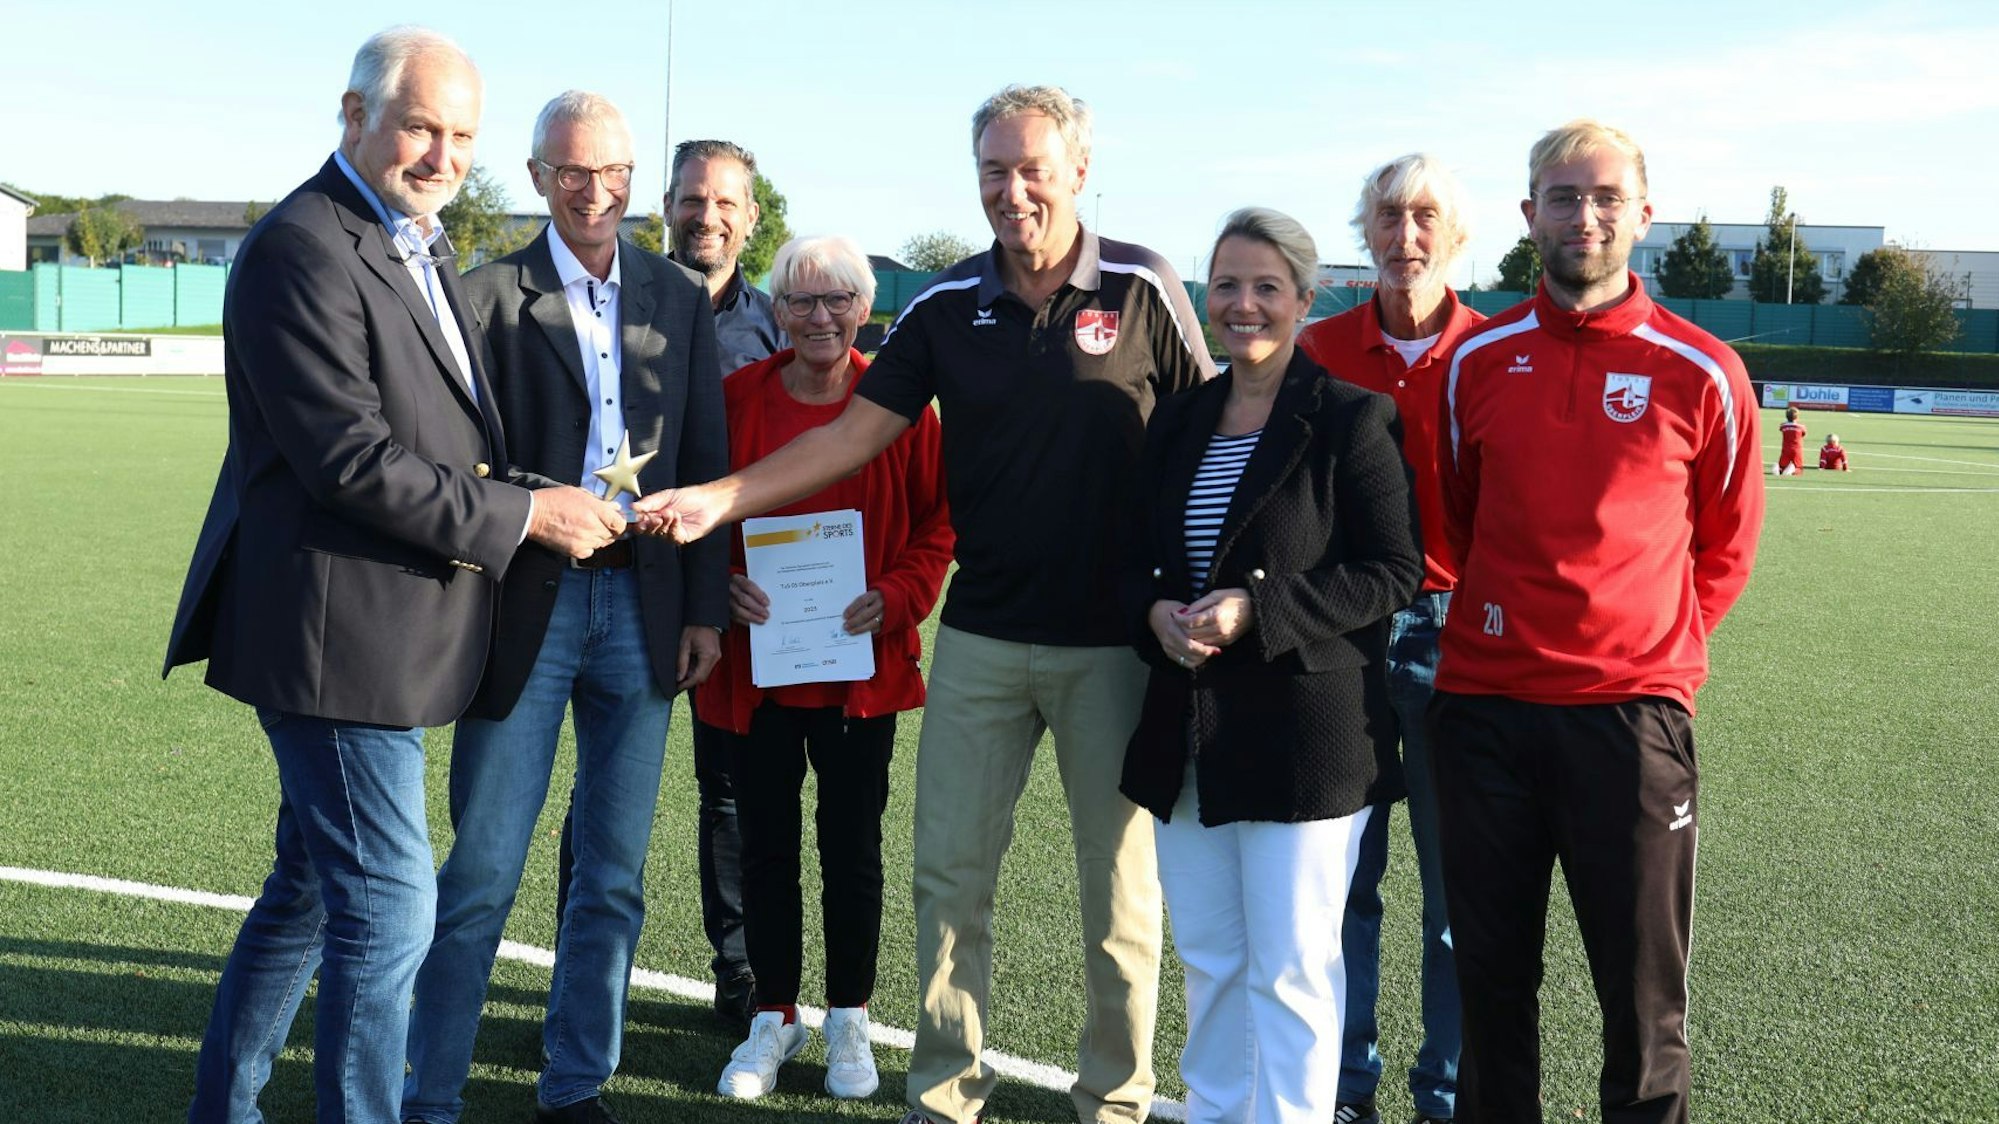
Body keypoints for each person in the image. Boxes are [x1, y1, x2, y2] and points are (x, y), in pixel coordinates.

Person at [636, 84, 1215, 1124]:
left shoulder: (1143, 285)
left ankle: (1114, 1100)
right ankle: (944, 1094)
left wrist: (1204, 594)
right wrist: (719, 497)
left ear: (1079, 171)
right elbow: (849, 434)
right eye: (994, 170)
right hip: (981, 634)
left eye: (1033, 169)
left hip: (1112, 644)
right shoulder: (947, 304)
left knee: (1119, 890)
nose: (1012, 190)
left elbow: (1212, 437)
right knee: (949, 878)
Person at [162, 28, 624, 1123]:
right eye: (421, 126)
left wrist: (538, 492)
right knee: (388, 905)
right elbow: (350, 460)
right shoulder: (301, 246)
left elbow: (444, 440)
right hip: (332, 638)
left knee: (310, 889)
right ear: (354, 114)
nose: (443, 155)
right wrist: (528, 514)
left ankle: (223, 1108)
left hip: (385, 633)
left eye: (462, 135)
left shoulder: (414, 239)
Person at [400, 92, 727, 1124]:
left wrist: (703, 609)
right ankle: (428, 1092)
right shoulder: (486, 295)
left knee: (614, 875)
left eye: (613, 172)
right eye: (573, 172)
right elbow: (454, 461)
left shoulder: (678, 295)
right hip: (526, 608)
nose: (595, 192)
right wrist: (536, 511)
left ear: (635, 179)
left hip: (645, 604)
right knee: (483, 869)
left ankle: (576, 1084)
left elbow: (707, 454)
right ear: (539, 176)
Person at [1433, 119, 1764, 1124]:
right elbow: (1458, 518)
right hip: (1484, 709)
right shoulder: (1475, 359)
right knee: (1490, 986)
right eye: (1564, 197)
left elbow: (1726, 543)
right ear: (1528, 214)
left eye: (1607, 197)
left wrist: (1648, 648)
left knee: (1642, 1000)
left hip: (1629, 720)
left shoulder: (1702, 368)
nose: (1586, 216)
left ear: (1643, 215)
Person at [1120, 207, 1422, 1124]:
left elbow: (1392, 571)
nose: (1241, 305)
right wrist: (1151, 614)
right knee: (1211, 960)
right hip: (1189, 732)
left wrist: (1259, 609)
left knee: (1291, 968)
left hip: (1306, 738)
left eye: (1264, 287)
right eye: (1225, 286)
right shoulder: (1178, 420)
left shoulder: (1350, 417)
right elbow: (1133, 560)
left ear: (1303, 298)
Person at [703, 234, 952, 1102]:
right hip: (754, 670)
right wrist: (721, 581)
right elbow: (700, 513)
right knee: (763, 848)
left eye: (836, 300)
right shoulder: (735, 399)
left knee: (852, 849)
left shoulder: (901, 407)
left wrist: (897, 594)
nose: (819, 317)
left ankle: (849, 1014)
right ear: (775, 311)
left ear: (864, 309)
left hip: (858, 670)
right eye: (801, 301)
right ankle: (772, 1015)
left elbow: (937, 525)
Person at [552, 137, 787, 1031]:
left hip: (739, 602)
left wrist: (737, 580)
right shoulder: (619, 301)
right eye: (692, 199)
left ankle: (740, 973)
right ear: (667, 206)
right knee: (602, 793)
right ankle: (579, 985)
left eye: (726, 202)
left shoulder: (777, 326)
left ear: (752, 218)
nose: (707, 217)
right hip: (627, 590)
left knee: (729, 792)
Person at [1297, 154, 1482, 1124]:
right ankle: (1344, 1089)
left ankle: (1444, 1096)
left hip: (1462, 642)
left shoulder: (1495, 353)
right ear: (1363, 230)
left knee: (1457, 903)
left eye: (1425, 217)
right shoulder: (1317, 349)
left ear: (1457, 235)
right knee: (1342, 889)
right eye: (1387, 216)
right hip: (1346, 638)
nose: (1405, 236)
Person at [1776, 405, 1806, 476]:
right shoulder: (1801, 427)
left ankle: (1780, 469)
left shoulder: (1783, 426)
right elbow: (1803, 434)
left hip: (1786, 449)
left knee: (1782, 466)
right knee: (1799, 468)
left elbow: (1781, 427)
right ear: (1797, 417)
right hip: (1796, 449)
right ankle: (1792, 471)